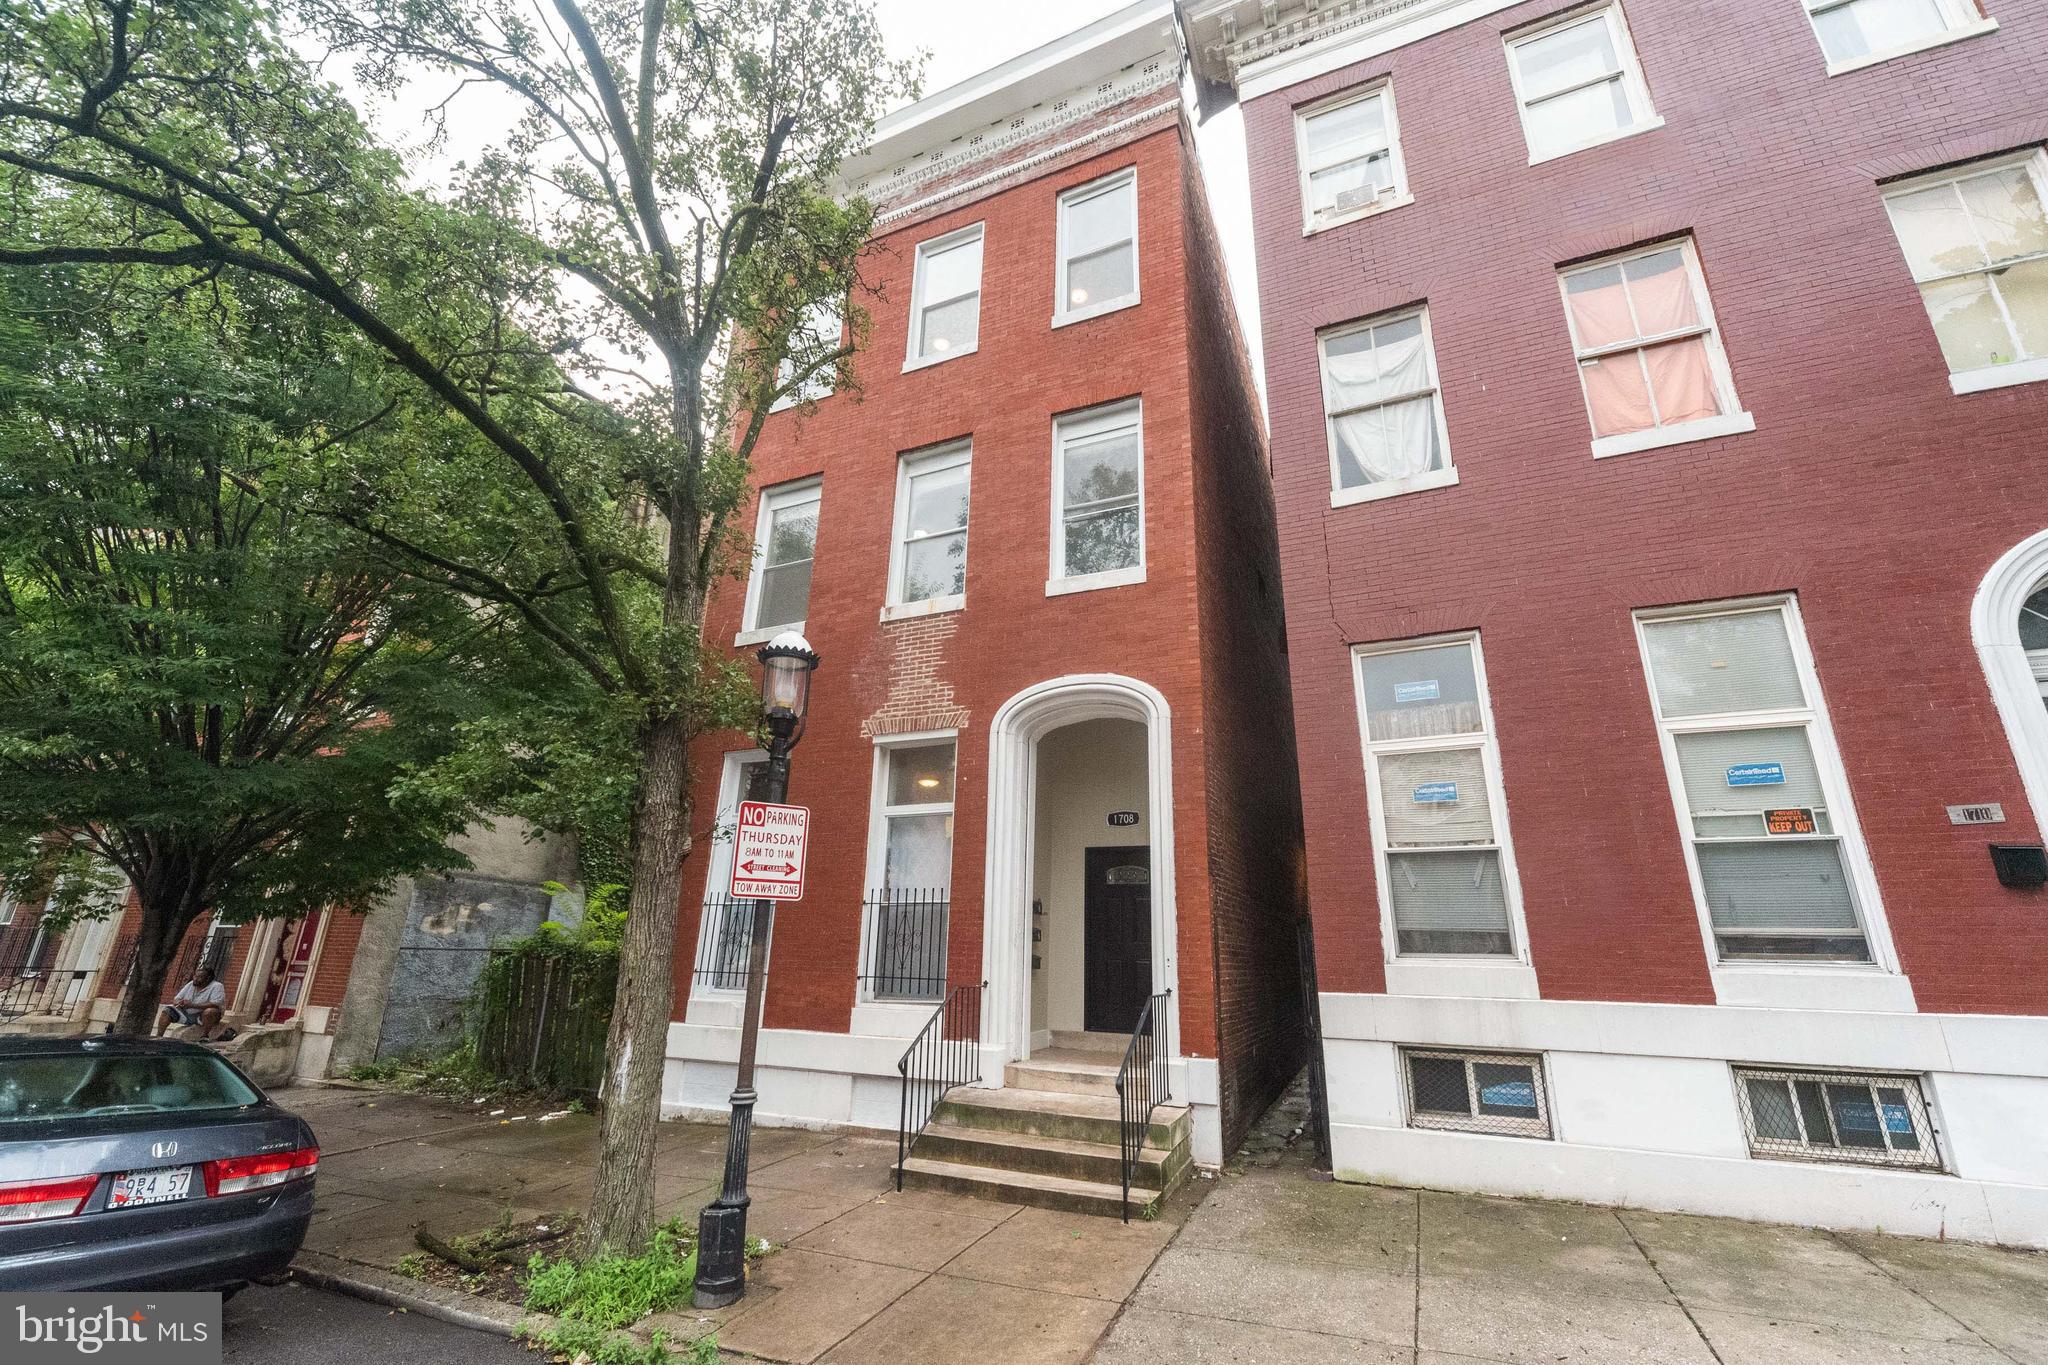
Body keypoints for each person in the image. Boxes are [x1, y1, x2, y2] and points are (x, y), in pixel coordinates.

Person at [156, 966, 227, 1039]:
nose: (195, 979)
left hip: (203, 1017)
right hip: (186, 1014)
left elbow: (215, 1004)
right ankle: (159, 1037)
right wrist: (180, 1002)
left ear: (208, 978)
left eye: (199, 977)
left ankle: (204, 1036)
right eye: (195, 976)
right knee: (167, 1010)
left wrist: (192, 1005)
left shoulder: (217, 986)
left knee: (210, 1011)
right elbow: (176, 999)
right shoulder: (191, 984)